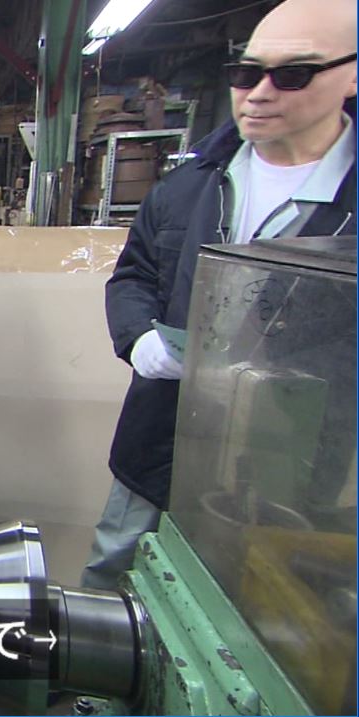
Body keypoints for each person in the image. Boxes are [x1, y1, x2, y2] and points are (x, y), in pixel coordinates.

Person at [82, 0, 357, 590]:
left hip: (291, 464)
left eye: (292, 74)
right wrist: (138, 338)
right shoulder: (189, 186)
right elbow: (133, 276)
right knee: (113, 574)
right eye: (245, 73)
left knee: (257, 596)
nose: (258, 93)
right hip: (162, 439)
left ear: (351, 75)